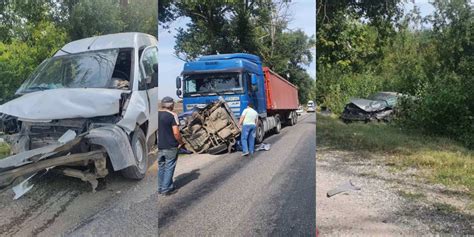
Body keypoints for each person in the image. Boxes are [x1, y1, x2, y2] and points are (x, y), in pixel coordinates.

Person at [158, 96, 184, 196]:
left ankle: (160, 188)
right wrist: (181, 142)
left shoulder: (157, 114)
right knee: (169, 167)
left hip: (160, 146)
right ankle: (166, 189)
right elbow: (176, 133)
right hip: (170, 146)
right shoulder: (172, 115)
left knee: (161, 167)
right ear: (171, 105)